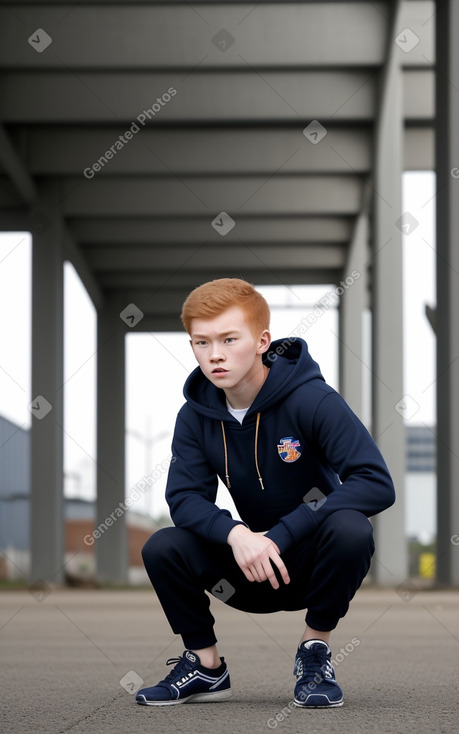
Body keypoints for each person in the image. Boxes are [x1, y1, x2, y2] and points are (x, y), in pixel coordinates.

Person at [136, 277, 395, 709]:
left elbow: (374, 480)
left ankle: (315, 651)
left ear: (262, 341)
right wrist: (237, 534)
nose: (214, 354)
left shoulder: (312, 399)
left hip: (312, 569)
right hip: (248, 571)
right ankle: (206, 666)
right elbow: (184, 499)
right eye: (201, 342)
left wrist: (285, 532)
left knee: (352, 529)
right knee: (163, 545)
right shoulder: (195, 417)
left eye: (228, 339)